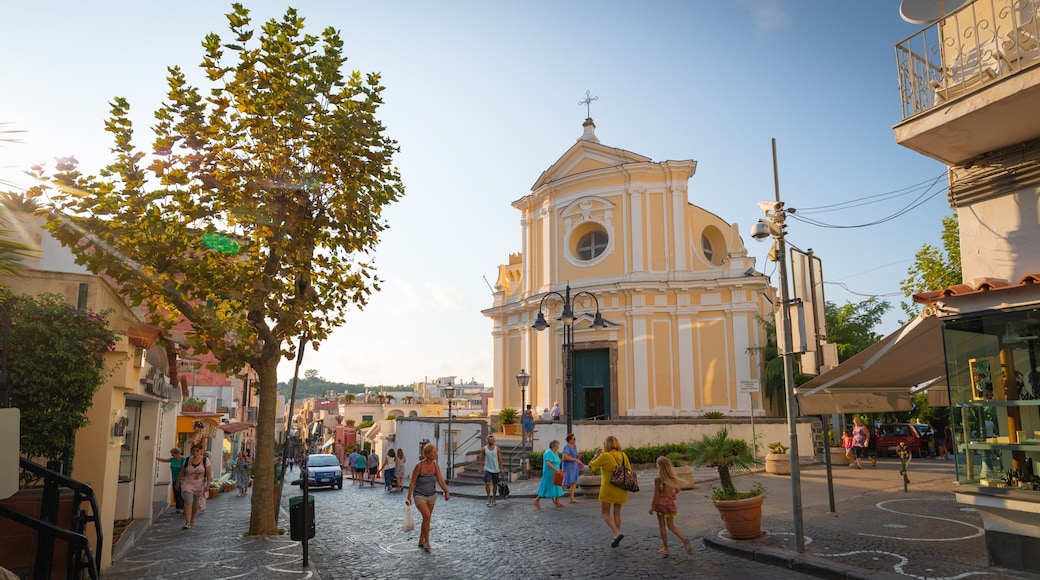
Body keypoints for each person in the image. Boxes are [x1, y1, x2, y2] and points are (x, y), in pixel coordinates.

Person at [406, 443, 450, 551]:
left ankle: (421, 540)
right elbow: (412, 483)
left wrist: (446, 491)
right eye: (434, 452)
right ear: (428, 453)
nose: (436, 454)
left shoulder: (435, 466)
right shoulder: (419, 466)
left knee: (426, 519)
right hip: (419, 496)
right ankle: (427, 541)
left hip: (431, 495)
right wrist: (409, 498)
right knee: (427, 516)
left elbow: (440, 480)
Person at [588, 435, 629, 548]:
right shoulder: (624, 455)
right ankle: (617, 535)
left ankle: (617, 533)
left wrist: (596, 456)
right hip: (621, 487)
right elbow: (629, 470)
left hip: (608, 488)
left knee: (605, 513)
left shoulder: (605, 456)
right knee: (617, 512)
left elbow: (591, 466)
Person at [648, 456, 692, 555]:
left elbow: (656, 495)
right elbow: (676, 491)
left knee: (662, 526)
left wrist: (652, 508)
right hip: (670, 505)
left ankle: (666, 548)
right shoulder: (672, 479)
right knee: (671, 525)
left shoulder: (658, 479)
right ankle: (683, 539)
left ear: (659, 466)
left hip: (660, 506)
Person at [177, 444, 211, 530]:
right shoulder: (187, 460)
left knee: (195, 503)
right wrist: (177, 482)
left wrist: (208, 485)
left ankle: (192, 518)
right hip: (187, 483)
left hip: (199, 485)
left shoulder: (205, 460)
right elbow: (182, 472)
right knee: (188, 501)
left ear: (201, 451)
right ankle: (187, 522)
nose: (195, 452)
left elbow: (209, 474)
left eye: (197, 450)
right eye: (193, 450)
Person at [534, 439, 565, 509]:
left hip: (555, 472)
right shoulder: (549, 452)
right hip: (549, 473)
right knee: (546, 486)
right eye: (557, 446)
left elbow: (557, 461)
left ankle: (557, 502)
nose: (558, 447)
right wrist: (555, 469)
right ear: (553, 446)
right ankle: (537, 500)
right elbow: (548, 463)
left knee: (557, 486)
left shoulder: (555, 453)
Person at [156, 447, 186, 513]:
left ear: (177, 453)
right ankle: (178, 508)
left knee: (181, 493)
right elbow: (165, 460)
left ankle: (183, 508)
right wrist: (157, 458)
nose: (172, 455)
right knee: (176, 493)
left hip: (181, 479)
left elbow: (184, 469)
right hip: (174, 478)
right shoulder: (173, 459)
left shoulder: (183, 459)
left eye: (172, 454)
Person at [478, 435, 504, 506]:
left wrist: (501, 468)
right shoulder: (484, 449)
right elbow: (481, 459)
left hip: (495, 469)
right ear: (487, 441)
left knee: (495, 485)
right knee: (487, 483)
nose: (490, 441)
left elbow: (500, 459)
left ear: (494, 441)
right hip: (487, 469)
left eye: (492, 440)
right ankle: (488, 498)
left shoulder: (497, 449)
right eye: (489, 440)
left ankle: (494, 498)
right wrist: (480, 468)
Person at [561, 433, 582, 503]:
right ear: (569, 440)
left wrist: (579, 456)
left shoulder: (574, 446)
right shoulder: (566, 447)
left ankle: (572, 498)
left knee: (574, 482)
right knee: (566, 483)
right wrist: (575, 459)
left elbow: (574, 456)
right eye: (573, 439)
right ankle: (557, 495)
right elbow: (565, 457)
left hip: (574, 466)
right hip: (568, 466)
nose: (575, 440)